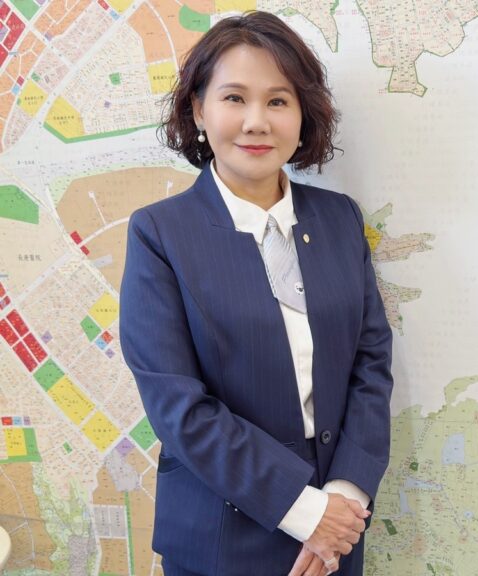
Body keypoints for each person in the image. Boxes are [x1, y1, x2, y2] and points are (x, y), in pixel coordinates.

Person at [119, 11, 393, 576]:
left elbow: (371, 363)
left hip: (338, 531)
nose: (256, 122)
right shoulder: (160, 233)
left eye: (278, 101)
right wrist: (306, 511)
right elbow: (177, 405)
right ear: (199, 109)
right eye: (234, 98)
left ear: (302, 115)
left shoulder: (340, 219)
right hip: (220, 537)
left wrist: (344, 498)